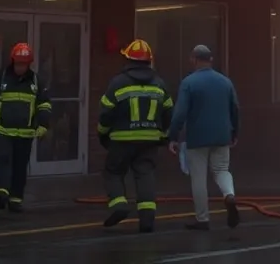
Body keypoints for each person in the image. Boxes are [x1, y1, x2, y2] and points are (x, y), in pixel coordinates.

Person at [97, 38, 174, 233]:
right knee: (145, 175)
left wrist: (102, 134)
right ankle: (147, 220)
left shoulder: (118, 82)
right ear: (149, 61)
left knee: (113, 172)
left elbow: (106, 113)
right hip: (149, 140)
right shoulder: (159, 84)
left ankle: (119, 205)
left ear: (128, 60)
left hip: (121, 139)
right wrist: (164, 135)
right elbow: (169, 113)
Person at [168, 45, 241, 231]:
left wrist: (173, 136)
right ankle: (229, 195)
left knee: (198, 178)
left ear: (194, 60)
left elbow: (180, 113)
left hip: (197, 137)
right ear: (211, 60)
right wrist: (234, 132)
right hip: (222, 134)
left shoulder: (189, 82)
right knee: (222, 170)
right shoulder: (226, 82)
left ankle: (203, 219)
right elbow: (235, 108)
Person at [0, 42, 52, 212]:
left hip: (26, 133)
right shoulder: (2, 78)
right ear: (13, 61)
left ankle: (15, 199)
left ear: (29, 64)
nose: (21, 67)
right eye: (18, 63)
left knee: (20, 166)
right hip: (2, 130)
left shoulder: (36, 81)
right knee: (3, 160)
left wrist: (43, 125)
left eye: (24, 64)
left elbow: (44, 105)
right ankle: (1, 193)